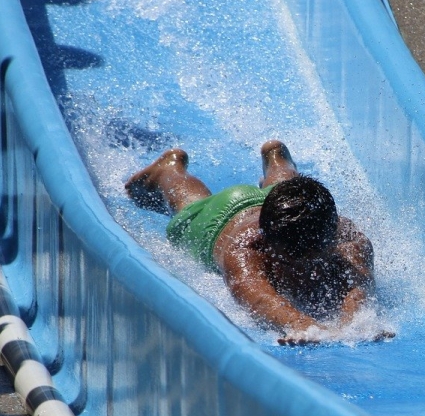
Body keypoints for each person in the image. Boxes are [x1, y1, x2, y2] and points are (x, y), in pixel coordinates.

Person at [125, 140, 390, 345]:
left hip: (274, 204)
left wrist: (354, 323)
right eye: (291, 258)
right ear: (265, 241)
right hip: (216, 221)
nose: (304, 267)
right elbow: (258, 297)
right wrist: (302, 324)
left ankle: (277, 163)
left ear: (331, 235)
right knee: (189, 203)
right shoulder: (242, 248)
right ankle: (167, 171)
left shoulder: (350, 240)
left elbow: (359, 287)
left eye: (313, 255)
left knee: (292, 195)